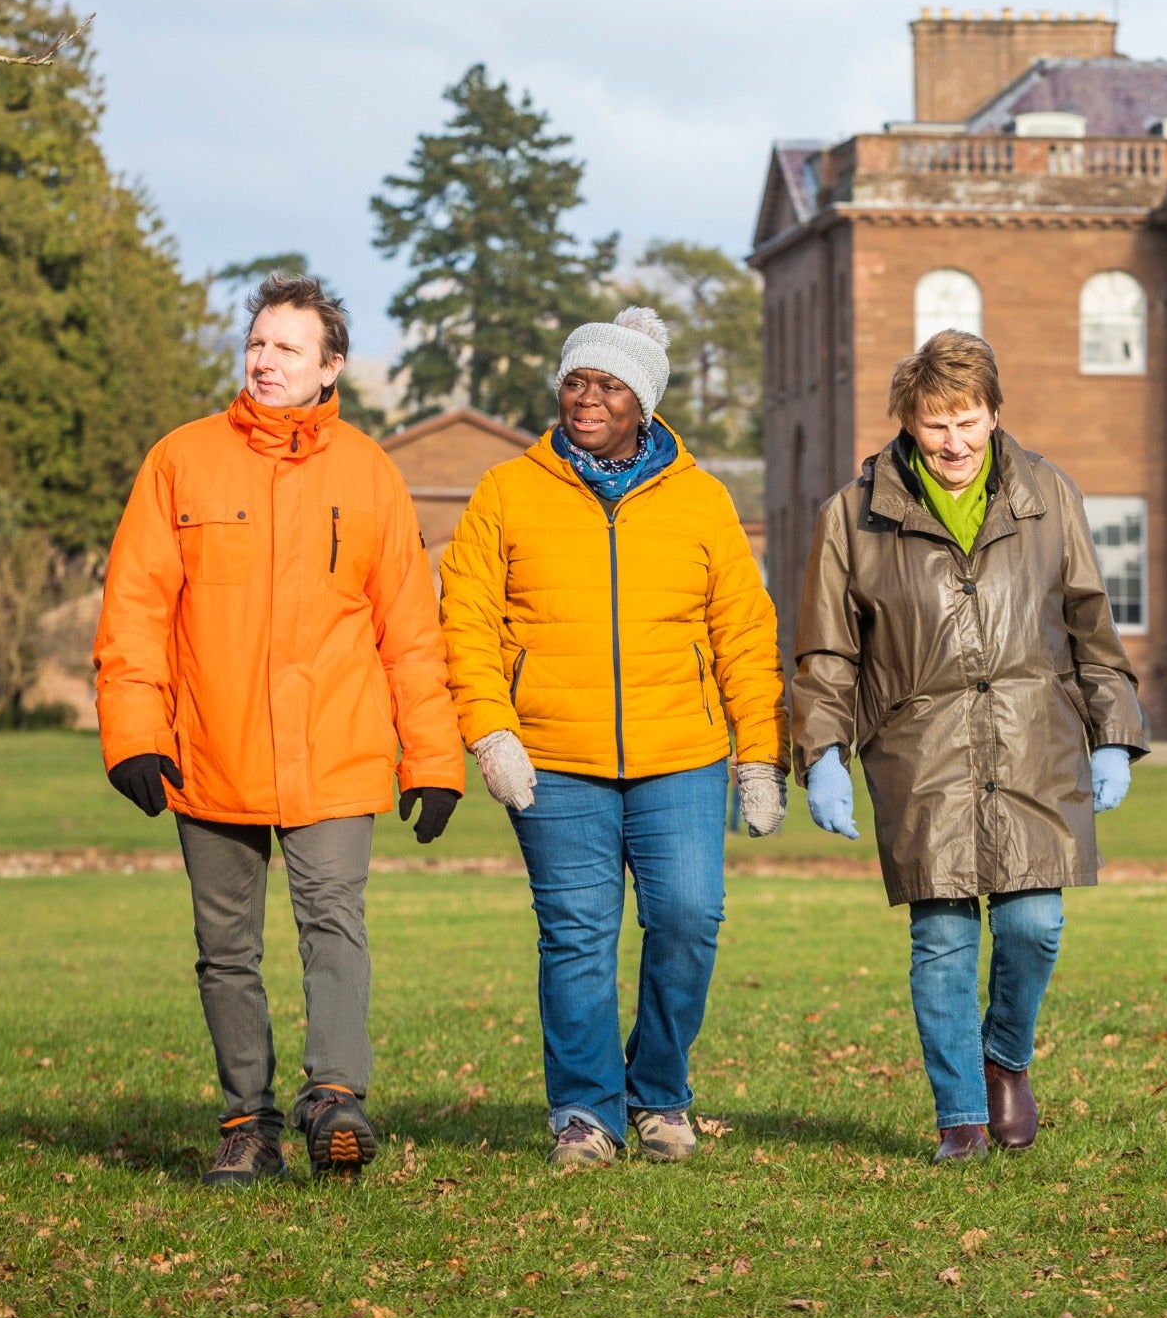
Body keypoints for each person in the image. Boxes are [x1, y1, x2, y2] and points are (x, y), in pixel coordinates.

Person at [93, 273, 462, 1190]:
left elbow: (410, 630)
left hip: (336, 750)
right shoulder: (179, 460)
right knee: (227, 950)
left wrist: (434, 758)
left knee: (334, 921)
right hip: (208, 747)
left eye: (287, 347)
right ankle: (247, 1123)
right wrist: (134, 730)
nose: (265, 359)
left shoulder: (370, 473)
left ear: (331, 365)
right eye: (258, 342)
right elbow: (135, 608)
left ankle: (334, 1100)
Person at [439, 307, 786, 1173]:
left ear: (646, 402)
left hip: (683, 755)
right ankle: (586, 1115)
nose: (586, 398)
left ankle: (660, 1095)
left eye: (609, 385)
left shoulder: (702, 499)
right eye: (576, 381)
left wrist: (760, 755)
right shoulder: (505, 492)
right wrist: (489, 732)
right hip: (553, 761)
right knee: (577, 935)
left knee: (687, 918)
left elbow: (744, 631)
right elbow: (466, 622)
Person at [790, 328, 1146, 1163]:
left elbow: (1090, 620)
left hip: (1036, 743)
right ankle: (959, 1116)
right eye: (934, 424)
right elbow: (828, 650)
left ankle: (1005, 1061)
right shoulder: (853, 514)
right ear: (908, 423)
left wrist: (1114, 735)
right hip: (921, 754)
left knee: (1035, 925)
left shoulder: (1048, 493)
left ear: (994, 415)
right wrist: (822, 754)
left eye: (968, 421)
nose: (953, 443)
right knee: (942, 936)